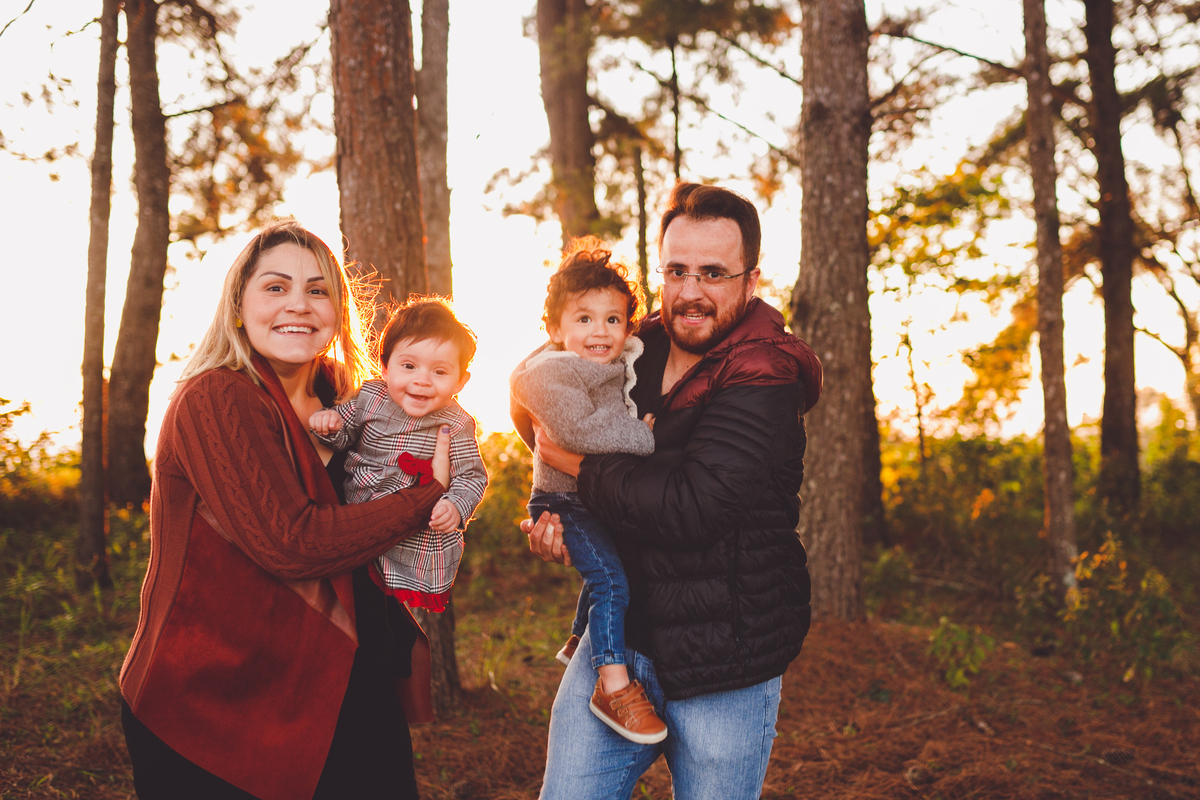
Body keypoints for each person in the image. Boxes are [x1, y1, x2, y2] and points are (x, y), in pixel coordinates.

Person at [119, 218, 449, 800]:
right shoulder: (216, 397)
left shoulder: (349, 405)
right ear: (239, 306)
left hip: (337, 683)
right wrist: (423, 499)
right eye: (276, 287)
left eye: (318, 289)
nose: (299, 303)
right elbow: (292, 541)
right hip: (212, 702)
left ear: (337, 311)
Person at [517, 182, 824, 799]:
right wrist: (566, 510)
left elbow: (694, 507)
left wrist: (576, 465)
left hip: (725, 661)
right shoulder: (640, 340)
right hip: (620, 649)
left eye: (713, 273)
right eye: (677, 270)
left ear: (750, 279)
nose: (690, 292)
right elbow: (535, 377)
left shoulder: (765, 370)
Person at [509, 238, 665, 745]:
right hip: (563, 501)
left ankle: (584, 636)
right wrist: (644, 436)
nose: (600, 331)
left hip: (587, 496)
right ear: (555, 330)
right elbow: (576, 432)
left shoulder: (616, 362)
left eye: (613, 319)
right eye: (584, 319)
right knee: (612, 582)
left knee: (610, 566)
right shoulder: (550, 371)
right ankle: (612, 685)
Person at [309, 298, 487, 612]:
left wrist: (455, 506)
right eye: (408, 366)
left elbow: (472, 476)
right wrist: (330, 425)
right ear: (385, 366)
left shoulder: (456, 424)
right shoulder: (371, 397)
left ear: (460, 381)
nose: (422, 380)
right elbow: (344, 435)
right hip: (357, 523)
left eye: (440, 371)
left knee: (390, 617)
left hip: (411, 539)